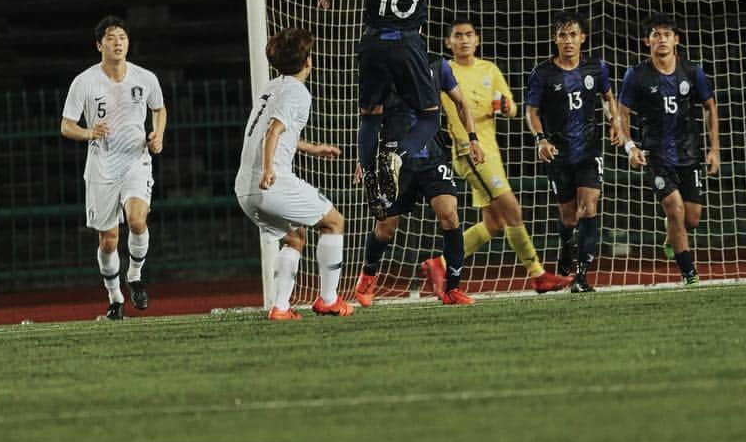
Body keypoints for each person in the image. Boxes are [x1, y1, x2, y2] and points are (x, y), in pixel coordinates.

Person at [318, 0, 457, 218]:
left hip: (372, 44)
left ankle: (370, 179)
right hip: (407, 44)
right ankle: (396, 155)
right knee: (428, 116)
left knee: (370, 115)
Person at [437, 18, 573, 294]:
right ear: (448, 43)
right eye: (458, 36)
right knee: (512, 208)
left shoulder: (489, 69)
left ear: (477, 40)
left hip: (491, 151)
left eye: (469, 35)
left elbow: (510, 107)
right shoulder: (443, 70)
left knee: (494, 223)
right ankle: (537, 273)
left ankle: (440, 263)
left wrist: (504, 105)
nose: (464, 40)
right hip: (468, 150)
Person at [235, 28, 353, 319]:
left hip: (243, 188)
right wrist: (268, 170)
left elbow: (270, 132)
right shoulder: (298, 92)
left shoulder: (271, 88)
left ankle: (281, 307)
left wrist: (312, 148)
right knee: (334, 222)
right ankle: (328, 299)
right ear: (308, 61)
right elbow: (273, 130)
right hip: (270, 182)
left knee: (294, 238)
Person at [354, 57, 484, 307]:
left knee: (449, 214)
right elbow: (370, 118)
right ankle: (368, 275)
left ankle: (453, 288)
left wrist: (473, 138)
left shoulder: (438, 67)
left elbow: (461, 103)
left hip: (432, 156)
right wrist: (365, 158)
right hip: (395, 159)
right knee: (386, 227)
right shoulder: (382, 69)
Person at [61, 16, 167, 320]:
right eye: (111, 38)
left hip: (136, 160)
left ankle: (135, 276)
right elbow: (66, 125)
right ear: (99, 45)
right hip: (101, 167)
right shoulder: (84, 82)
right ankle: (115, 298)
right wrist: (88, 132)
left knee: (137, 221)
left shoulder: (145, 78)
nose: (118, 42)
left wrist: (157, 135)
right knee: (108, 239)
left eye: (122, 37)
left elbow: (159, 109)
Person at [617, 13, 720, 286]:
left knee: (692, 218)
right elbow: (622, 113)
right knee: (674, 209)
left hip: (689, 153)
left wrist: (714, 150)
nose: (661, 39)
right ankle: (689, 274)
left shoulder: (692, 72)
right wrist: (630, 147)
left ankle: (672, 232)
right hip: (656, 155)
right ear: (646, 42)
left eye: (666, 34)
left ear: (676, 40)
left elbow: (710, 107)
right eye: (655, 35)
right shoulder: (636, 75)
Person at [525, 11, 622, 293]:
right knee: (569, 217)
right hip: (558, 151)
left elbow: (608, 98)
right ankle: (566, 245)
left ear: (583, 38)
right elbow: (531, 112)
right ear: (555, 39)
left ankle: (581, 276)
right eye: (563, 35)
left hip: (590, 150)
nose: (568, 40)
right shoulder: (542, 73)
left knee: (589, 207)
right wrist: (541, 139)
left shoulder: (596, 68)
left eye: (573, 35)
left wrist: (614, 122)